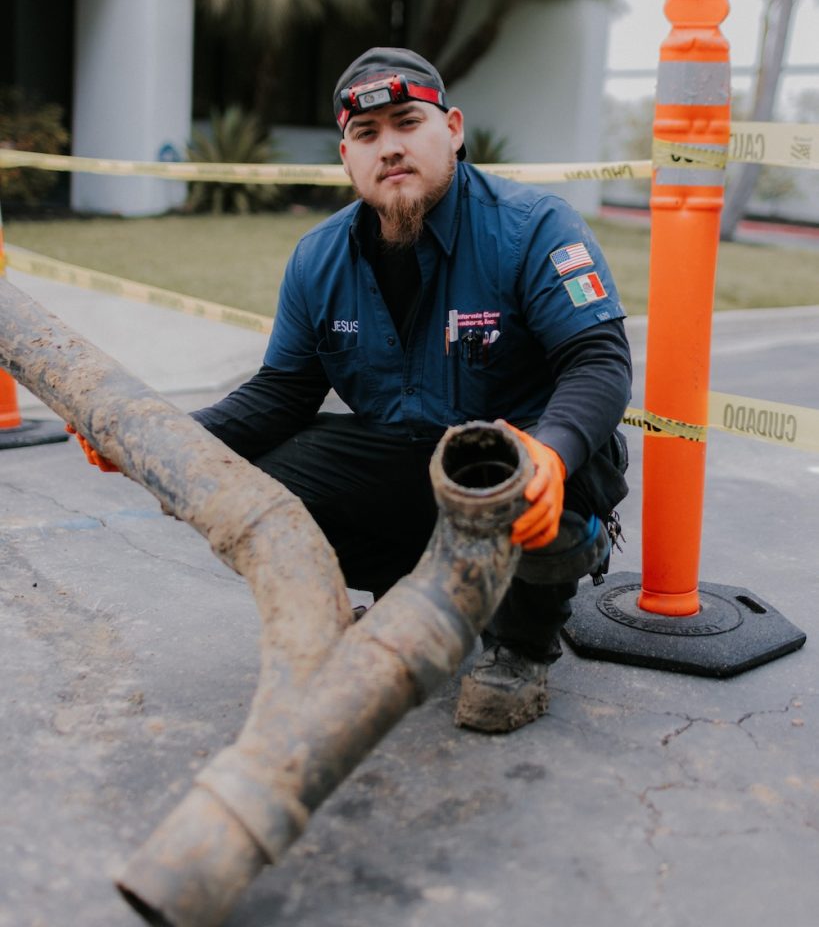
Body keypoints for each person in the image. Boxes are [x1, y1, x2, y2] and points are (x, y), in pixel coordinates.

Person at [73, 47, 632, 734]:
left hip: (520, 471)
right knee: (261, 482)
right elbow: (280, 394)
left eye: (406, 123)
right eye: (367, 135)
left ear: (452, 128)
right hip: (406, 463)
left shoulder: (532, 225)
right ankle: (409, 596)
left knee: (522, 473)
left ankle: (522, 647)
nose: (388, 147)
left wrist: (552, 452)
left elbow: (597, 361)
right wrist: (151, 440)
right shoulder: (318, 257)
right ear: (346, 157)